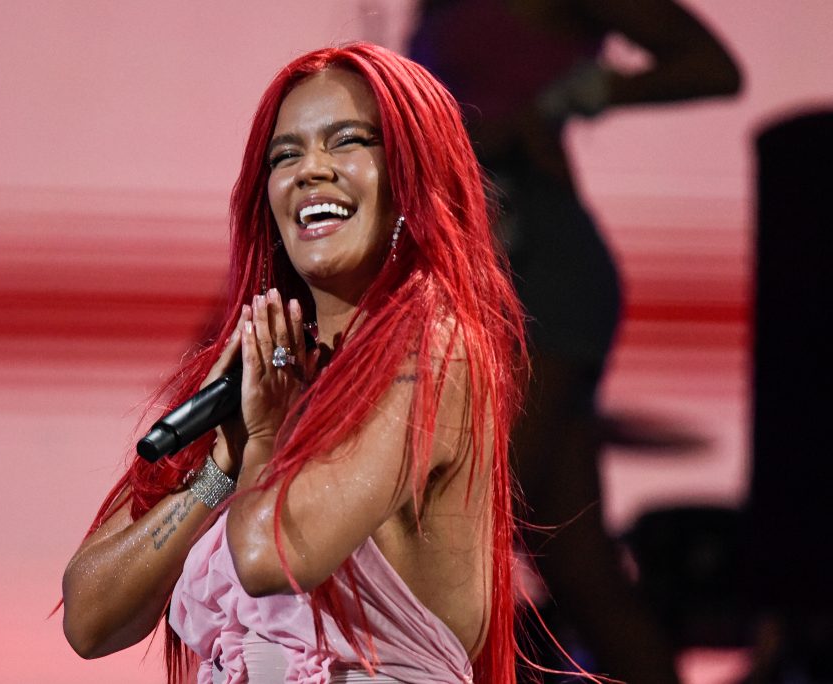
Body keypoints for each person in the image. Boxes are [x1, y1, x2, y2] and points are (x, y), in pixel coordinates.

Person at [61, 43, 528, 683]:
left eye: (348, 142)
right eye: (286, 155)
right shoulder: (262, 370)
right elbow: (89, 618)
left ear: (412, 180)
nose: (311, 170)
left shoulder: (436, 351)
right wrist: (221, 464)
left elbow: (270, 556)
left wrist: (264, 438)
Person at [410, 2, 741, 682]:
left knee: (460, 527)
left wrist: (574, 96)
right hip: (484, 261)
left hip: (537, 274)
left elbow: (712, 67)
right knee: (581, 571)